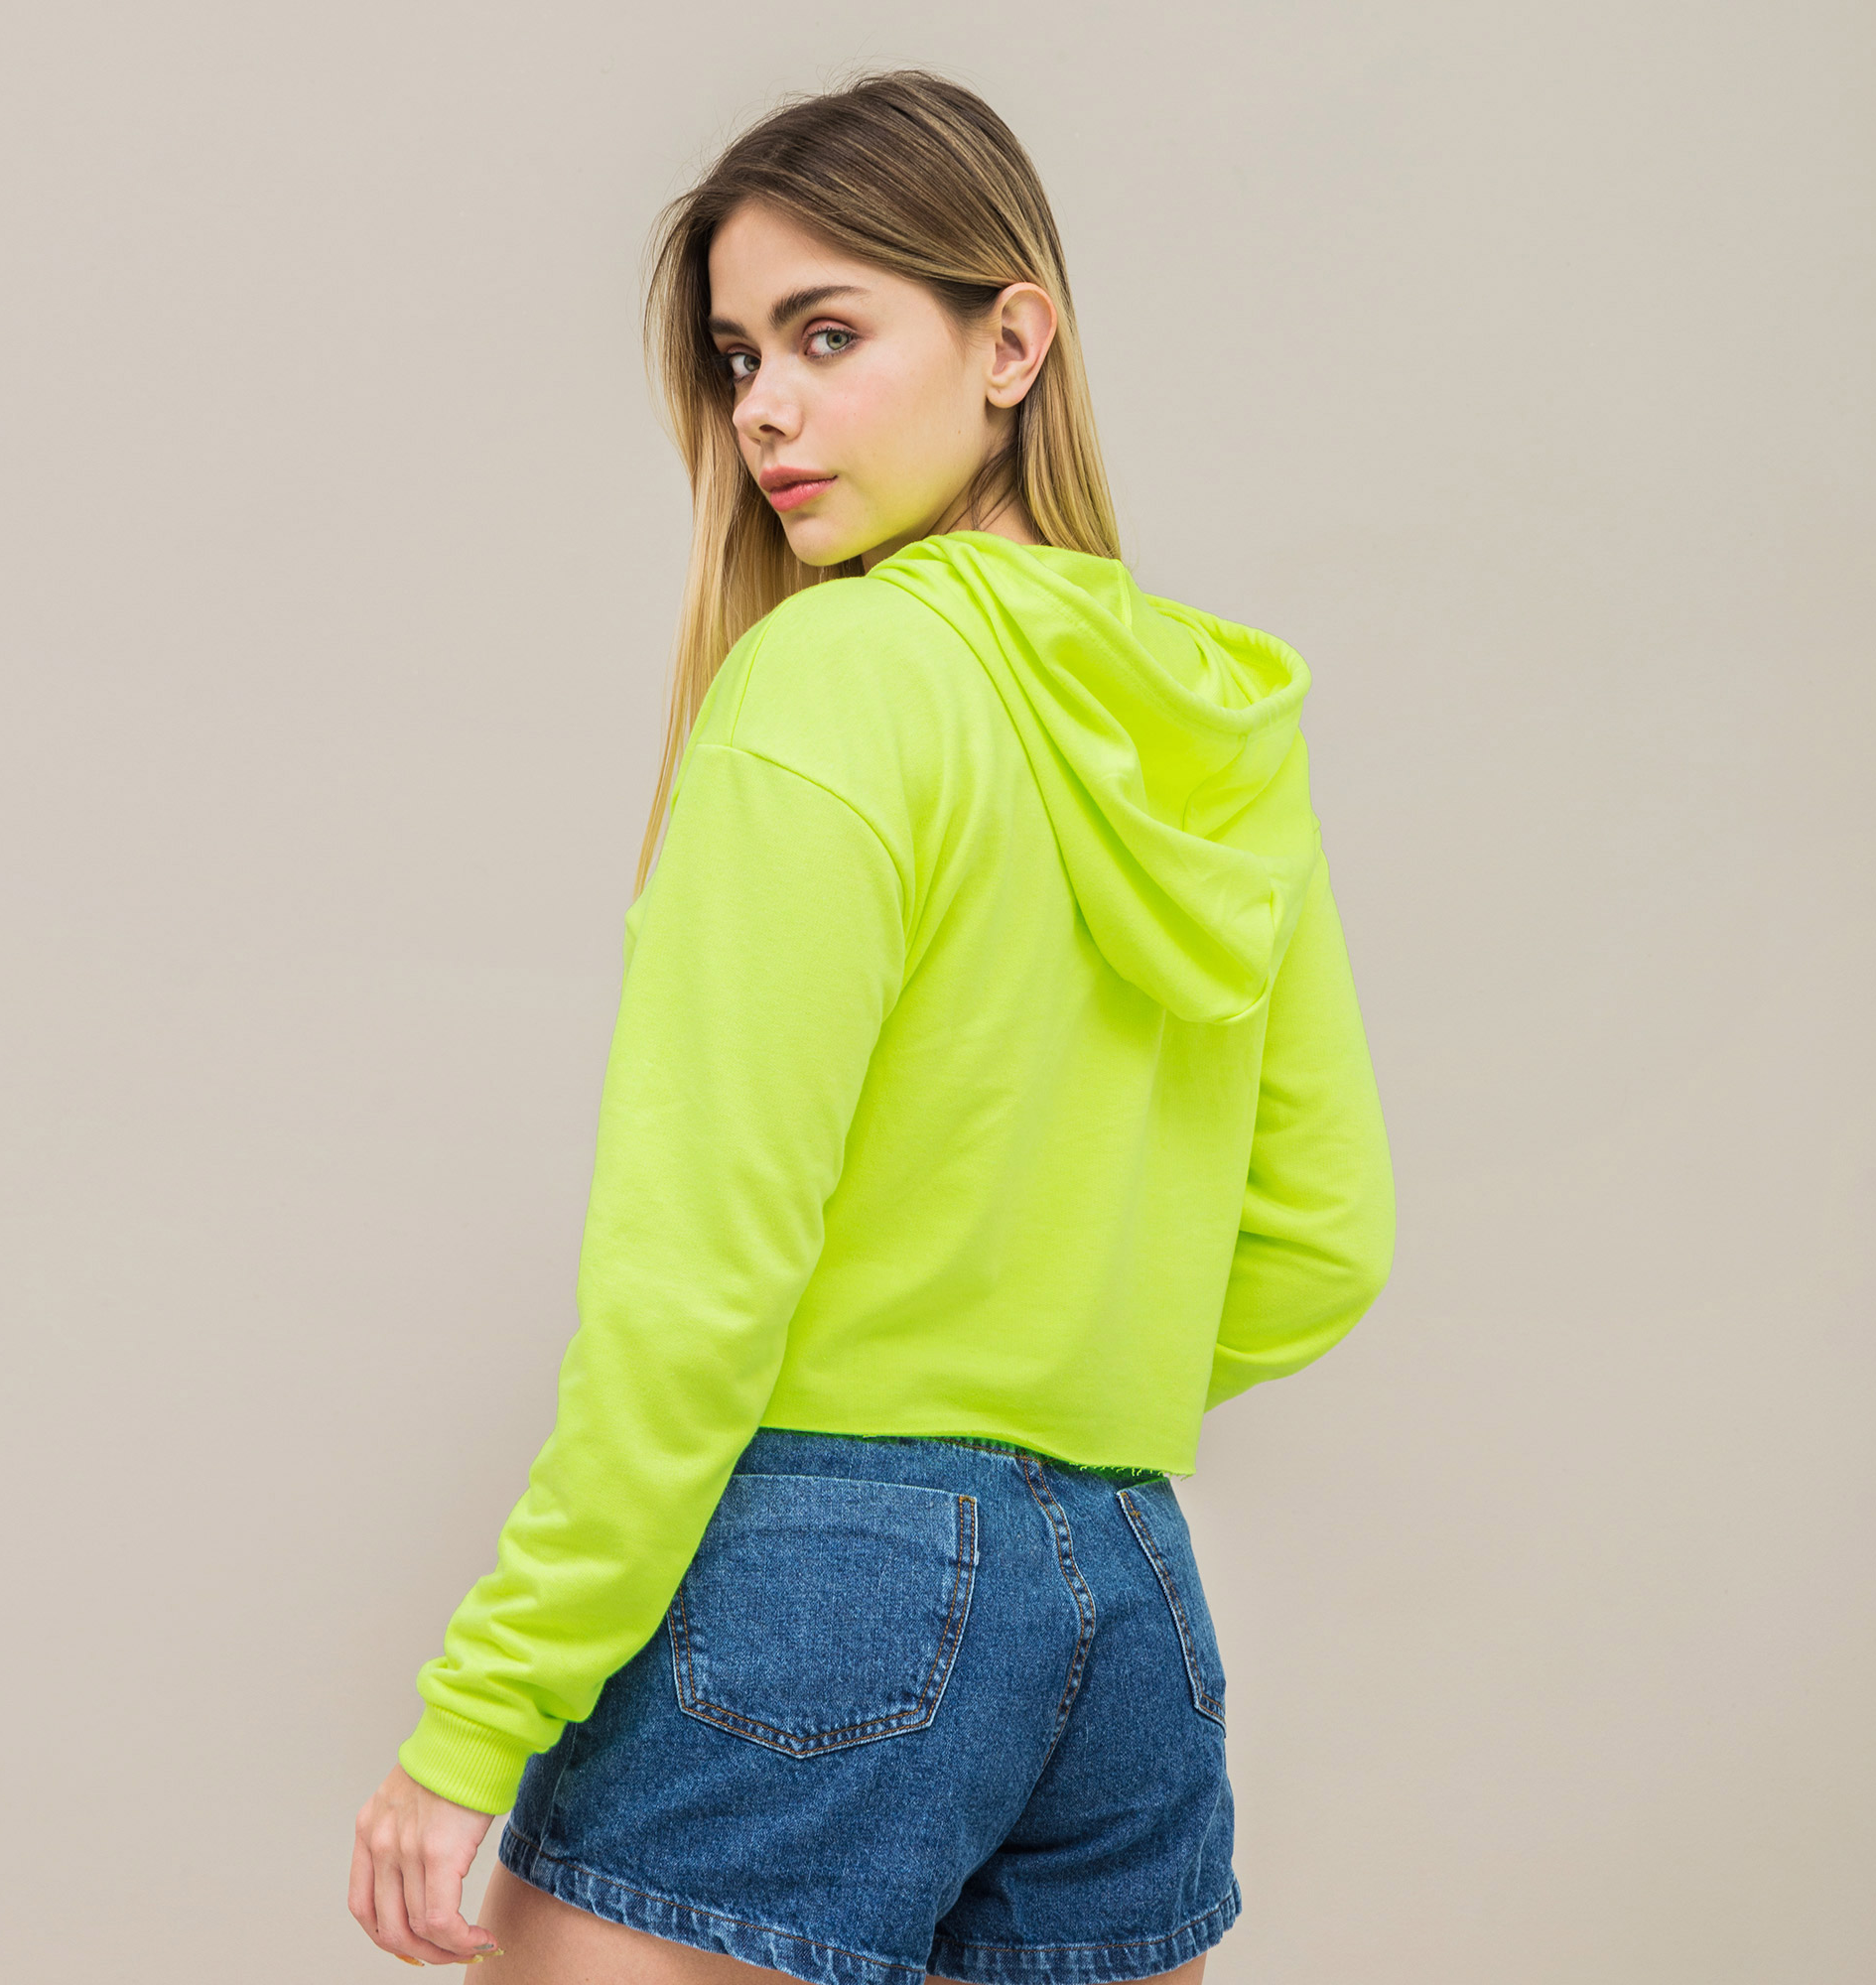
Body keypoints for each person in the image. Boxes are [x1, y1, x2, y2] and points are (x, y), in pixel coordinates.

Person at [348, 66, 1395, 1984]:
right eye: (740, 354)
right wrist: (1049, 1366)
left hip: (824, 1585)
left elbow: (699, 1277)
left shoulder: (828, 679)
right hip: (1132, 1602)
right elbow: (1328, 1238)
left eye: (828, 335)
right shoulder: (1209, 720)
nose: (763, 407)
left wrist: (477, 1716)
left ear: (1014, 341)